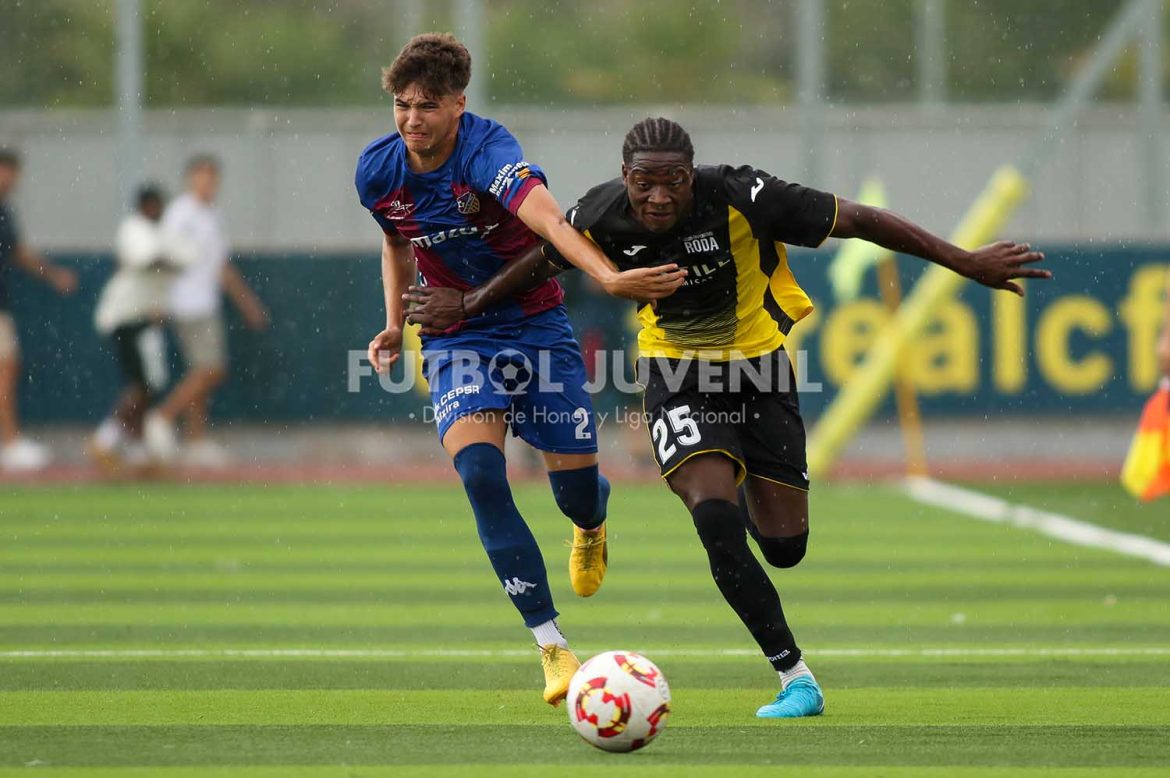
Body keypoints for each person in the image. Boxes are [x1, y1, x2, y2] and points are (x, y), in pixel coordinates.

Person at [404, 117, 1051, 719]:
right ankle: (795, 676)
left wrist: (964, 260)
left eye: (674, 181)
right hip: (675, 375)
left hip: (762, 373)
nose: (658, 197)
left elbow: (858, 219)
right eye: (644, 182)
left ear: (693, 172)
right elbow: (548, 255)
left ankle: (730, 477)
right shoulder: (600, 212)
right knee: (713, 516)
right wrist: (469, 301)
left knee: (784, 547)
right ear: (625, 176)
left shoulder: (745, 193)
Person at [355, 34, 685, 706]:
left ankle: (591, 526)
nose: (412, 119)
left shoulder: (488, 152)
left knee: (577, 494)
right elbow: (395, 239)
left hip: (535, 328)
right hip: (453, 337)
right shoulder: (377, 170)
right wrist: (393, 321)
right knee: (480, 471)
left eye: (426, 106)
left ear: (458, 105)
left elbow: (555, 226)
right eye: (401, 105)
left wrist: (612, 277)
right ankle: (551, 645)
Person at [144, 154, 268, 467]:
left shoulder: (213, 216)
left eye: (213, 178)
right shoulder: (180, 214)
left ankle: (194, 439)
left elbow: (221, 267)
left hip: (206, 302)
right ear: (190, 179)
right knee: (211, 369)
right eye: (202, 177)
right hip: (186, 302)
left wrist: (247, 303)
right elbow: (162, 259)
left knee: (201, 370)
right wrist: (158, 300)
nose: (208, 183)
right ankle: (161, 417)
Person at [90, 185, 197, 474]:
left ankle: (137, 451)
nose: (155, 210)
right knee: (141, 385)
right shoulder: (133, 229)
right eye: (151, 205)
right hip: (126, 316)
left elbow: (187, 257)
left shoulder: (164, 231)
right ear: (142, 207)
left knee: (149, 385)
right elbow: (149, 259)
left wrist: (167, 259)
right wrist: (167, 260)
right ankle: (106, 438)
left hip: (148, 319)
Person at [0, 148, 77, 472]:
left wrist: (53, 273)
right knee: (6, 367)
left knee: (8, 366)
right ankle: (8, 443)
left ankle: (9, 442)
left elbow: (17, 253)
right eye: (7, 171)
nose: (11, 179)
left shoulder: (5, 210)